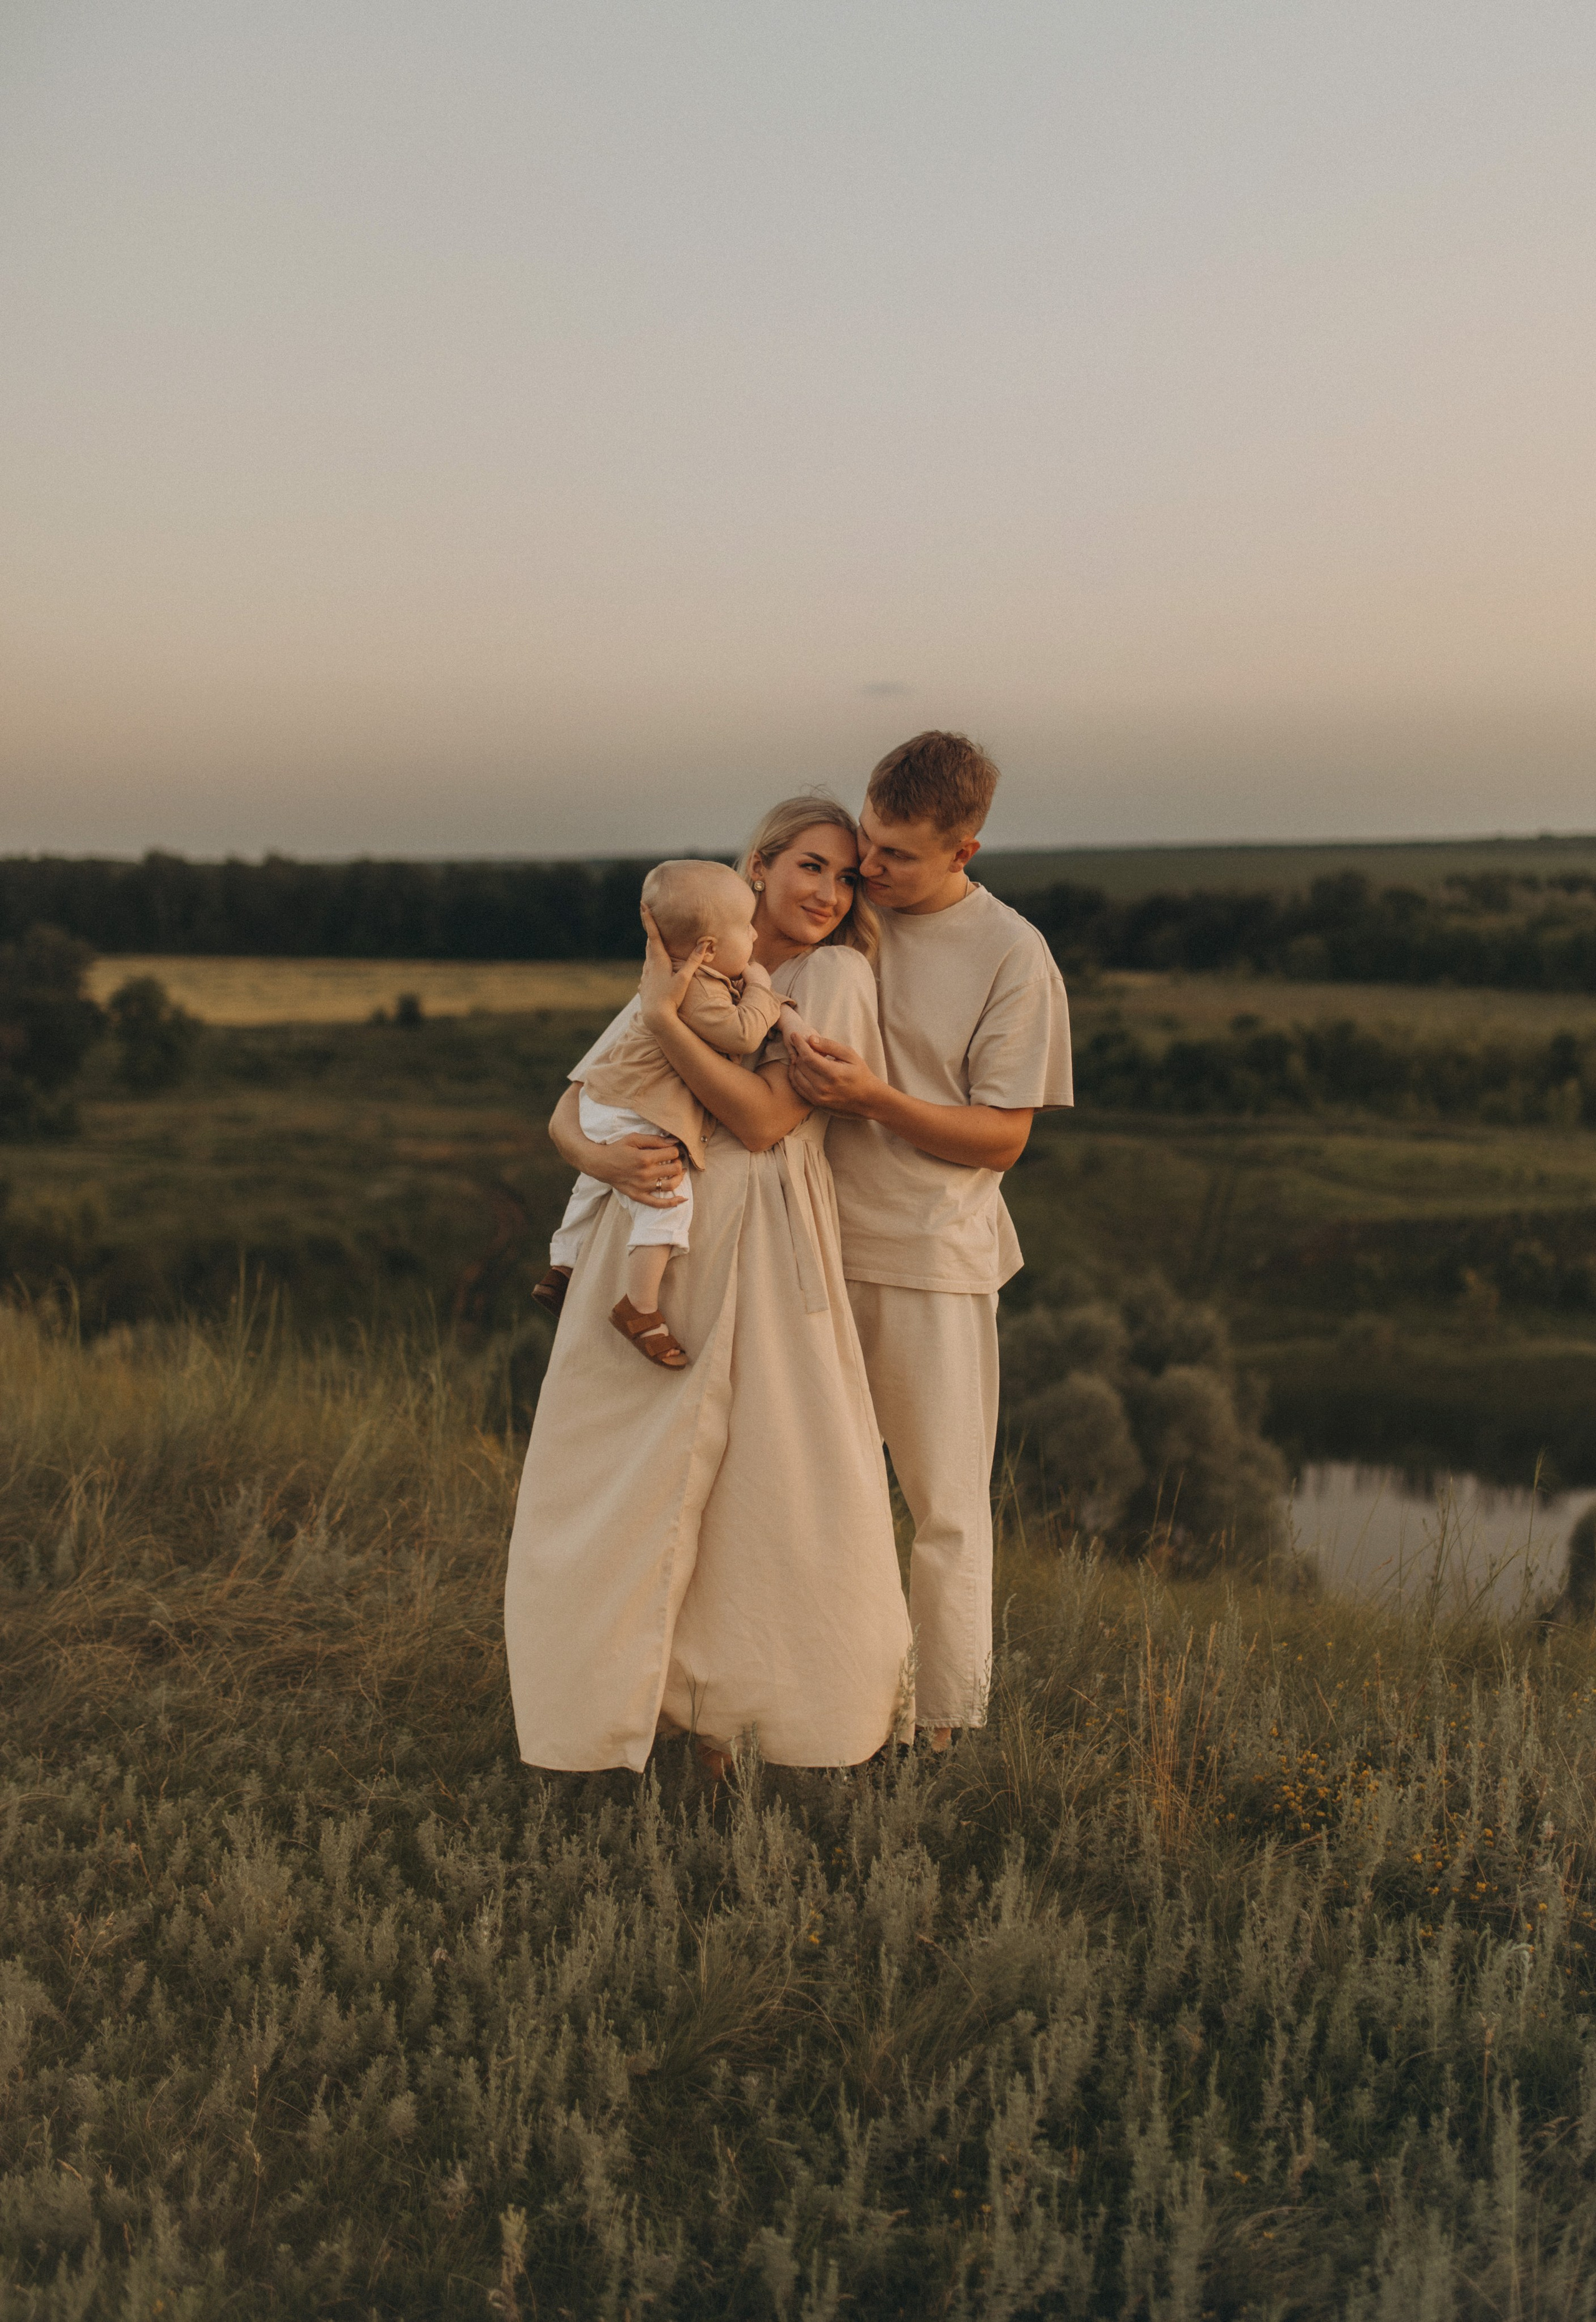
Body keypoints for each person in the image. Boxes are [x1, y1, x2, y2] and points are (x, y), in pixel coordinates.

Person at [503, 797, 913, 1775]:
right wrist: (601, 1165)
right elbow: (578, 1101)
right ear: (762, 866)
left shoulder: (838, 977)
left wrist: (661, 1018)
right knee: (614, 1471)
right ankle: (610, 1716)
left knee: (775, 1482)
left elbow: (768, 1120)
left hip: (763, 1232)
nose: (828, 891)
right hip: (650, 1226)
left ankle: (759, 1723)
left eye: (847, 877)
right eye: (811, 865)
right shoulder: (699, 959)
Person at [786, 732, 1073, 1746]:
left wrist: (874, 1098)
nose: (869, 867)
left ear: (967, 850)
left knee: (944, 1511)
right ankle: (819, 1716)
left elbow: (1004, 1135)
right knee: (810, 1496)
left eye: (898, 854)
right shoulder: (841, 908)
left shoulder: (1013, 957)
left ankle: (946, 1737)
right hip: (806, 1244)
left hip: (932, 1265)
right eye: (867, 838)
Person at [532, 858, 809, 1367]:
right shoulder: (699, 987)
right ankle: (639, 1307)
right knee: (667, 1201)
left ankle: (563, 1266)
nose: (753, 936)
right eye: (746, 929)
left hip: (605, 1100)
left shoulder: (666, 979)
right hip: (635, 1110)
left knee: (593, 1186)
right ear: (708, 950)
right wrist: (765, 990)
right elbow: (742, 1034)